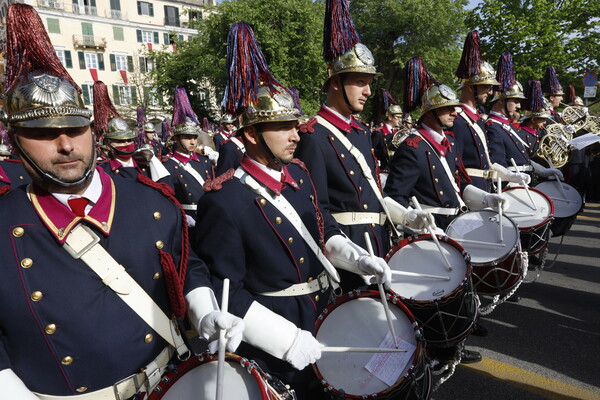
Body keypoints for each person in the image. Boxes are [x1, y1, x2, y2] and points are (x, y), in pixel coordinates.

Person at [0, 4, 244, 398]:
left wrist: (205, 312)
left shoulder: (152, 201)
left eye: (75, 128)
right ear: (16, 141)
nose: (65, 145)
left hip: (169, 384)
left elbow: (187, 267)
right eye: (43, 133)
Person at [193, 22, 391, 400]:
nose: (296, 135)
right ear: (252, 134)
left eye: (295, 125)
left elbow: (324, 228)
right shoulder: (223, 200)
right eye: (283, 127)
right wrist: (282, 339)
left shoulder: (297, 177)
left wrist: (358, 258)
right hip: (276, 333)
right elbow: (225, 289)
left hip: (325, 312)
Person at [384, 57, 510, 366]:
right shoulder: (413, 147)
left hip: (454, 221)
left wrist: (485, 199)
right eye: (448, 109)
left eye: (455, 107)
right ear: (431, 113)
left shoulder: (449, 144)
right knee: (440, 293)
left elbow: (461, 184)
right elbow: (394, 197)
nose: (455, 112)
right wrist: (415, 223)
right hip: (431, 226)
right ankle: (442, 346)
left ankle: (459, 333)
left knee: (462, 285)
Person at [295, 0, 395, 292]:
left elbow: (372, 194)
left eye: (369, 83)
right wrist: (356, 257)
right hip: (348, 254)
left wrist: (405, 216)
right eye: (361, 82)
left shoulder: (361, 132)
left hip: (378, 242)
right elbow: (317, 210)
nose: (367, 91)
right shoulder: (312, 136)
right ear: (336, 82)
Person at [486, 54, 563, 182]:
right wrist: (512, 179)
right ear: (501, 101)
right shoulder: (493, 127)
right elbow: (497, 166)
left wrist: (543, 171)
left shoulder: (507, 126)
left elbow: (524, 161)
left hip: (526, 182)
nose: (519, 106)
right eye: (515, 101)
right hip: (511, 187)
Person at [93, 81, 172, 186]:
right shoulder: (102, 170)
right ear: (108, 145)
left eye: (129, 140)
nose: (126, 144)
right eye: (120, 141)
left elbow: (166, 188)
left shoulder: (146, 164)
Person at [162, 86, 214, 228]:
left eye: (194, 137)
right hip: (188, 220)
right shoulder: (167, 166)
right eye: (187, 138)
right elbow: (167, 200)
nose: (192, 142)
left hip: (210, 215)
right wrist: (182, 216)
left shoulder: (204, 161)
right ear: (176, 139)